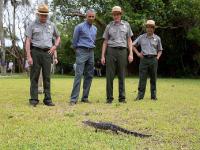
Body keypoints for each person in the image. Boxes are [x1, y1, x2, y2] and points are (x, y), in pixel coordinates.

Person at [25, 4, 60, 107]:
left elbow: (58, 37)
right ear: (38, 14)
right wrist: (28, 56)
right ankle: (34, 99)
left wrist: (55, 47)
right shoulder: (32, 25)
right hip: (35, 52)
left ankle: (47, 99)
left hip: (47, 53)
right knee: (34, 77)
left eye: (45, 15)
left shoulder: (52, 25)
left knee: (47, 77)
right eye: (42, 15)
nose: (43, 17)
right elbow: (27, 41)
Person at [101, 6, 133, 103]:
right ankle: (109, 98)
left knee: (122, 74)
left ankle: (122, 98)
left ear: (120, 14)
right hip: (111, 51)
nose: (116, 16)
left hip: (123, 51)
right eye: (114, 14)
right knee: (110, 75)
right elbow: (105, 42)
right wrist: (102, 56)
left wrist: (131, 53)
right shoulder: (109, 26)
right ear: (113, 15)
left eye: (117, 14)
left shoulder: (126, 25)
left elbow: (129, 40)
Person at [69, 9, 97, 106]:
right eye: (89, 16)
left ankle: (85, 97)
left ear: (95, 17)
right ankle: (73, 99)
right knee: (79, 75)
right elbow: (74, 42)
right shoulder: (79, 27)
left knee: (89, 75)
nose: (91, 18)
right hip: (81, 51)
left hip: (91, 52)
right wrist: (77, 51)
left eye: (93, 16)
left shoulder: (95, 29)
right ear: (86, 16)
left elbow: (93, 41)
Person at [133, 20, 163, 101]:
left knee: (153, 78)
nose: (149, 29)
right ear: (146, 28)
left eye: (151, 27)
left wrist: (157, 57)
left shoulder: (157, 38)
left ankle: (153, 96)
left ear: (154, 29)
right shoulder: (141, 37)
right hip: (144, 59)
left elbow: (160, 50)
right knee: (142, 78)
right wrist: (138, 54)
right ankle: (140, 96)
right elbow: (133, 45)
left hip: (153, 59)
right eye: (148, 27)